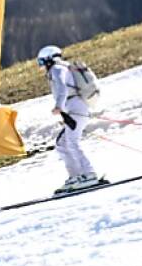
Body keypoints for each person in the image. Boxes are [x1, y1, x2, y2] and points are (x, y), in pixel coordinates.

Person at [37, 46, 104, 194]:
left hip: (76, 108)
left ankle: (89, 175)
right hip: (74, 109)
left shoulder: (57, 69)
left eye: (41, 61)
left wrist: (59, 106)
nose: (40, 66)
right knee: (62, 143)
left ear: (49, 59)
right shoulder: (63, 68)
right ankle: (76, 177)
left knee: (71, 142)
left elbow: (62, 89)